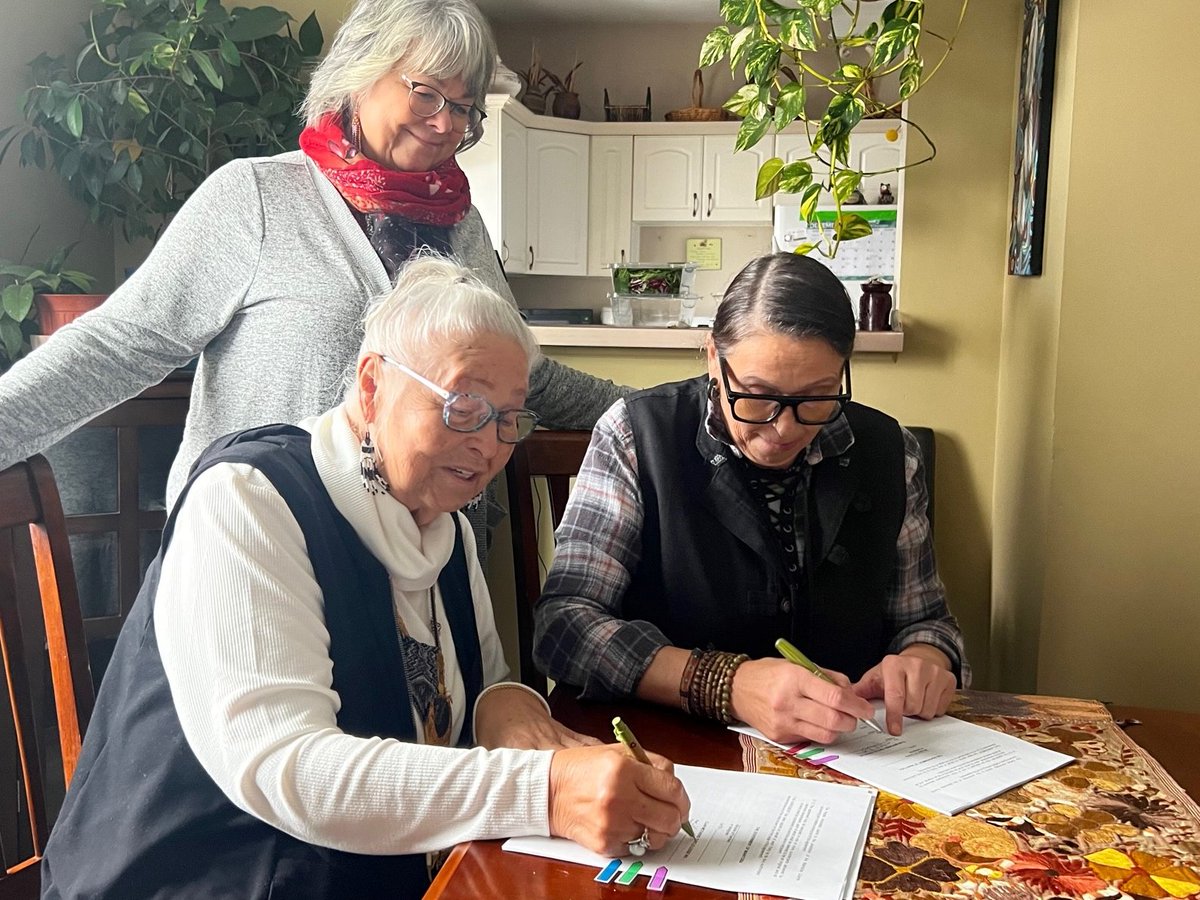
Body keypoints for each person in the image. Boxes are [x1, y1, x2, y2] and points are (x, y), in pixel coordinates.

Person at [40, 258, 689, 899]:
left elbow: (475, 687)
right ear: (374, 384)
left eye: (509, 418)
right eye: (465, 405)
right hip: (208, 878)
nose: (490, 444)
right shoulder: (248, 503)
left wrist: (507, 706)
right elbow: (286, 769)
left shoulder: (445, 525)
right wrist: (542, 790)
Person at [0, 0, 622, 559]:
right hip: (259, 552)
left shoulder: (462, 224)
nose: (445, 124)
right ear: (360, 71)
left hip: (417, 566)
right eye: (427, 94)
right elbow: (120, 341)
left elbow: (521, 378)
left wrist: (653, 407)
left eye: (463, 108)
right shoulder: (257, 197)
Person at [533, 253, 970, 744]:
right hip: (677, 753)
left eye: (817, 397)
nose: (783, 429)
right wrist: (723, 684)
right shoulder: (637, 437)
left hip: (854, 751)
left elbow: (926, 621)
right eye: (758, 395)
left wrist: (924, 660)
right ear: (713, 358)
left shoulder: (891, 453)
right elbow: (565, 626)